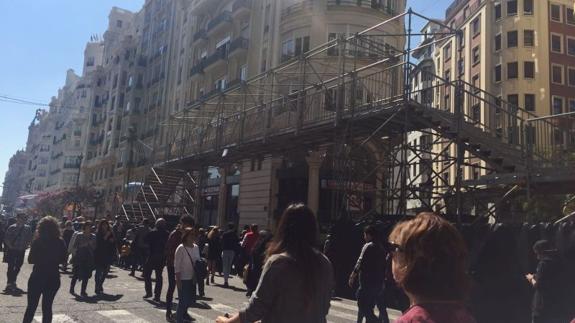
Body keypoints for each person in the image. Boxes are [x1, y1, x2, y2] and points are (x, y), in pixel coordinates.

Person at [216, 203, 334, 323]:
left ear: (283, 228)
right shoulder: (324, 263)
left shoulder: (279, 263)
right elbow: (323, 308)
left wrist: (227, 322)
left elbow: (256, 309)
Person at [389, 212, 476, 323]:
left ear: (409, 263)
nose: (390, 255)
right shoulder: (464, 316)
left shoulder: (412, 320)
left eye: (394, 249)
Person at [22, 216, 67, 323]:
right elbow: (64, 259)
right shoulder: (60, 241)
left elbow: (30, 259)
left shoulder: (38, 241)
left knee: (31, 307)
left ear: (41, 227)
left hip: (38, 276)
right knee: (47, 308)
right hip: (53, 277)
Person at [349, 225, 390, 323]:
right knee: (369, 305)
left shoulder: (367, 246)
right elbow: (384, 266)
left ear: (369, 235)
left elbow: (360, 262)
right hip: (377, 282)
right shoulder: (381, 248)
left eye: (365, 234)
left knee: (362, 303)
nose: (364, 237)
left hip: (366, 282)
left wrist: (352, 276)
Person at [526, 240, 570, 323]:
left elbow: (538, 285)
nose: (537, 257)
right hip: (557, 303)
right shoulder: (559, 261)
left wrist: (531, 279)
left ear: (541, 252)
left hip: (542, 305)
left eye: (537, 253)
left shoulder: (543, 264)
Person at [164, 215, 195, 322]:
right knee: (172, 287)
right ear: (183, 224)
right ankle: (168, 312)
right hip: (173, 265)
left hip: (185, 267)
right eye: (188, 225)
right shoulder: (175, 234)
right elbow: (168, 250)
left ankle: (184, 312)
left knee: (185, 291)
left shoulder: (188, 234)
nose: (190, 228)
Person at [174, 228, 201, 323]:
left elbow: (197, 263)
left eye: (195, 234)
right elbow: (177, 266)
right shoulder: (181, 248)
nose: (193, 236)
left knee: (189, 301)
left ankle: (183, 316)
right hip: (183, 278)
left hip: (192, 278)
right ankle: (179, 320)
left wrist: (196, 276)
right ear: (186, 236)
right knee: (182, 302)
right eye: (191, 234)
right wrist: (178, 281)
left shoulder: (196, 247)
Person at [3, 213, 33, 293]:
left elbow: (30, 238)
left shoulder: (28, 228)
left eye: (24, 218)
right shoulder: (12, 227)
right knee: (11, 266)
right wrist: (10, 246)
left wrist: (27, 245)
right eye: (21, 218)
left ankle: (12, 280)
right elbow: (6, 238)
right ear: (17, 218)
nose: (23, 219)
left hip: (21, 250)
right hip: (12, 250)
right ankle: (10, 282)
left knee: (18, 266)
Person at [143, 218, 169, 302]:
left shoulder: (152, 232)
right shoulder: (167, 234)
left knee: (147, 274)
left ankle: (149, 292)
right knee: (159, 276)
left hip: (152, 256)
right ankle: (157, 295)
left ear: (156, 224)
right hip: (162, 257)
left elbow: (145, 241)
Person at [69, 221, 96, 297]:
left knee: (86, 275)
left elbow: (95, 247)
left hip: (89, 257)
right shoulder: (79, 235)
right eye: (87, 227)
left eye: (90, 227)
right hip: (79, 257)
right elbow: (75, 246)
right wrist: (83, 245)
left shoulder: (93, 236)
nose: (88, 228)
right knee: (76, 274)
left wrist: (91, 245)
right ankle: (72, 288)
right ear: (84, 227)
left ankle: (83, 291)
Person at [245, 230, 273, 297]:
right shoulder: (265, 245)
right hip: (261, 265)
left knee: (253, 277)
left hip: (255, 265)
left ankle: (250, 290)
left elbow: (252, 253)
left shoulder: (257, 244)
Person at [94, 220, 116, 295]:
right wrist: (106, 236)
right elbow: (99, 243)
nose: (105, 226)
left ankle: (100, 284)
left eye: (106, 225)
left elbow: (113, 243)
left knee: (105, 272)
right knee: (98, 272)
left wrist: (112, 240)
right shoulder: (98, 233)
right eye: (103, 225)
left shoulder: (111, 233)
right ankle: (97, 286)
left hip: (108, 255)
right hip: (99, 255)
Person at [221, 223, 239, 287]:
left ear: (228, 227)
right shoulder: (235, 235)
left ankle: (225, 281)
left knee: (225, 266)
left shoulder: (225, 234)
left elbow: (222, 242)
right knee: (229, 266)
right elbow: (237, 243)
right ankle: (226, 279)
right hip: (232, 251)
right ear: (233, 227)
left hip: (225, 250)